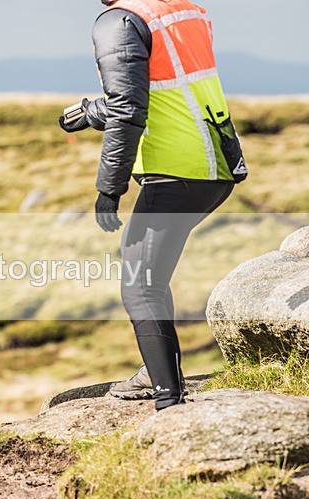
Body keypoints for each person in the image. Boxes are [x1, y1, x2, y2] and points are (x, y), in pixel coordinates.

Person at [58, 0, 246, 410]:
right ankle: (158, 373)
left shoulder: (119, 21)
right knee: (152, 279)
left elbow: (129, 107)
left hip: (174, 170)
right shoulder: (181, 10)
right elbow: (163, 92)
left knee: (140, 286)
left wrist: (110, 187)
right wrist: (92, 112)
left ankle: (168, 400)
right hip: (215, 165)